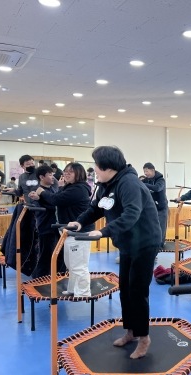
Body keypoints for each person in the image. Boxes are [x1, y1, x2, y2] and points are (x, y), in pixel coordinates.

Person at [70, 146, 161, 359]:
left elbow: (131, 214)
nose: (94, 170)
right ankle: (131, 331)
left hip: (145, 242)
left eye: (96, 166)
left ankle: (144, 337)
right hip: (128, 243)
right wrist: (79, 222)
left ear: (108, 167)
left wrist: (103, 232)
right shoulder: (106, 185)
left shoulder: (129, 183)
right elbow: (97, 208)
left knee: (137, 291)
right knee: (125, 289)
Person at [30, 163, 94, 296]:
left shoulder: (79, 189)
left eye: (71, 172)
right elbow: (57, 201)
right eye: (65, 171)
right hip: (68, 231)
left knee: (78, 265)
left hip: (79, 232)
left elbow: (56, 199)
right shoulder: (69, 187)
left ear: (79, 174)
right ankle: (72, 289)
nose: (66, 173)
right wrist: (43, 196)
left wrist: (42, 192)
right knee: (70, 264)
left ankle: (83, 292)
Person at [29, 165, 63, 278]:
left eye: (53, 174)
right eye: (50, 174)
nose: (53, 177)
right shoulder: (36, 192)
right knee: (45, 256)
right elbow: (43, 207)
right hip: (46, 227)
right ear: (42, 177)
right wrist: (40, 200)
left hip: (57, 227)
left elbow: (56, 204)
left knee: (60, 255)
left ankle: (58, 278)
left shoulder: (53, 189)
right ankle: (38, 280)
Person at [141, 162, 168, 248]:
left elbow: (157, 188)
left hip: (161, 207)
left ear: (152, 170)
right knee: (152, 226)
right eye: (144, 171)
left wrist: (144, 184)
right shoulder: (146, 180)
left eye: (147, 171)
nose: (145, 173)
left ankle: (160, 244)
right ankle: (152, 243)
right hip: (152, 207)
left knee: (161, 226)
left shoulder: (161, 180)